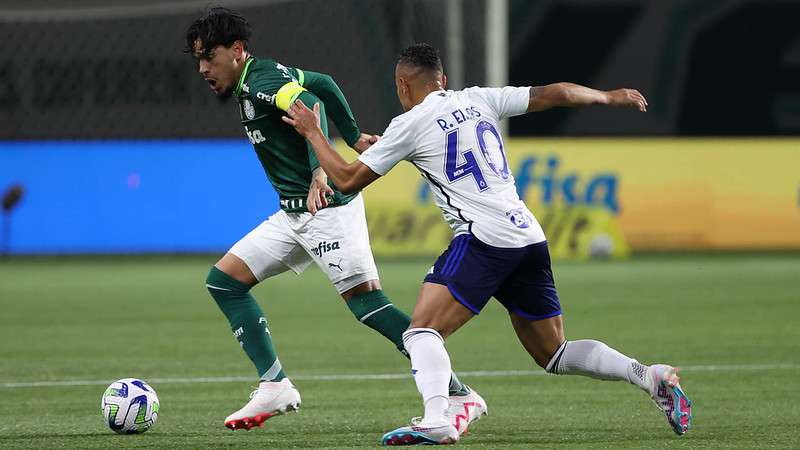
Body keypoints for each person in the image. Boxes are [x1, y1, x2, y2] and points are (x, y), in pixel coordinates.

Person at [282, 43, 693, 446]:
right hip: (527, 235)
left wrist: (313, 132)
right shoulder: (480, 99)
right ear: (443, 80)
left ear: (402, 85)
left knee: (421, 332)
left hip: (484, 238)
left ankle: (436, 419)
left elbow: (347, 179)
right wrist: (609, 95)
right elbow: (556, 93)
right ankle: (647, 375)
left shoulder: (409, 124)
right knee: (554, 352)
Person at [184, 10, 485, 432]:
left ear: (236, 51)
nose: (202, 68)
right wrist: (356, 133)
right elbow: (323, 81)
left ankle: (458, 394)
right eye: (197, 60)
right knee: (224, 282)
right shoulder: (259, 76)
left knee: (369, 307)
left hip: (328, 210)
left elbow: (308, 105)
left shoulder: (262, 81)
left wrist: (320, 171)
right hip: (294, 214)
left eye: (208, 57)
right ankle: (274, 385)